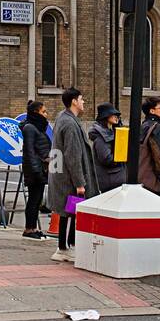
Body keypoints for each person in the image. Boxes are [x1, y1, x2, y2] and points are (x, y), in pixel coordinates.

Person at [49, 87, 98, 261]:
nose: (83, 102)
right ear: (74, 101)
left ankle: (66, 247)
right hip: (69, 180)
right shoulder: (70, 124)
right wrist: (80, 183)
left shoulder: (64, 119)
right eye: (81, 99)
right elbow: (73, 155)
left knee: (68, 212)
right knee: (69, 213)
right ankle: (63, 248)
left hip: (63, 177)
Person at [21, 100, 51, 240]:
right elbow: (30, 152)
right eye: (43, 111)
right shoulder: (30, 128)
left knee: (37, 199)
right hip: (35, 170)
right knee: (33, 200)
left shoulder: (38, 127)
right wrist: (36, 171)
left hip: (40, 169)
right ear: (36, 113)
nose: (46, 114)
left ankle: (33, 227)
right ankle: (29, 228)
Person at [138, 96, 160, 195]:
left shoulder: (143, 126)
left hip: (143, 177)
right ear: (152, 111)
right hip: (154, 180)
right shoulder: (158, 128)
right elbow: (159, 154)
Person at [88, 103, 126, 192]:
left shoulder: (111, 132)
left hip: (116, 180)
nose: (116, 117)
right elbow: (106, 159)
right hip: (110, 183)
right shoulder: (101, 137)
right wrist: (121, 157)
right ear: (106, 116)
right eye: (114, 115)